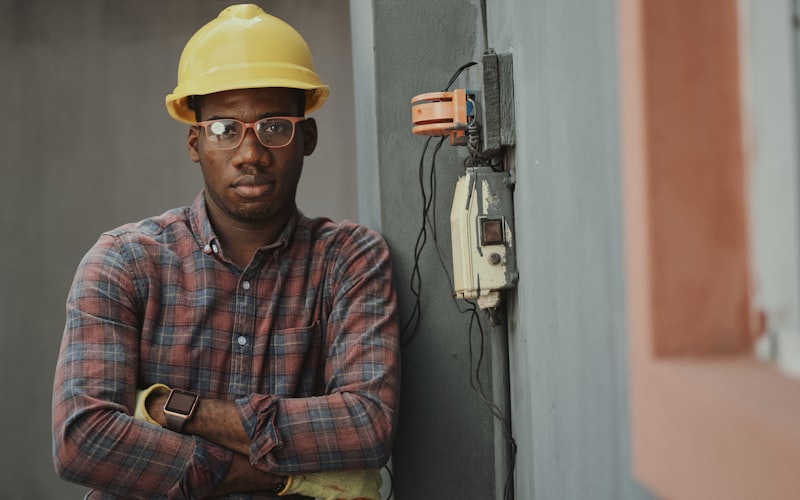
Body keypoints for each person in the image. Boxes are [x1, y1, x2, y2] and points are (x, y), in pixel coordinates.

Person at [51, 4, 400, 499]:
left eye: (275, 126)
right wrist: (282, 477)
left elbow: (365, 425)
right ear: (195, 142)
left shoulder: (348, 260)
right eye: (224, 129)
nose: (251, 152)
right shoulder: (124, 263)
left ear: (308, 136)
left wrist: (179, 410)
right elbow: (82, 439)